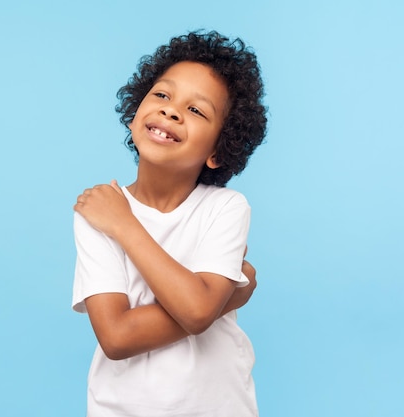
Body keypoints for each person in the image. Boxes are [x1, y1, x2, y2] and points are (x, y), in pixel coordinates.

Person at [72, 30, 267, 417]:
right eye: (162, 95)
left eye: (197, 110)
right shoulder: (100, 210)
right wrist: (222, 298)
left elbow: (197, 312)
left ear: (217, 150)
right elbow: (116, 336)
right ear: (135, 113)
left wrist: (125, 227)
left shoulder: (226, 208)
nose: (171, 110)